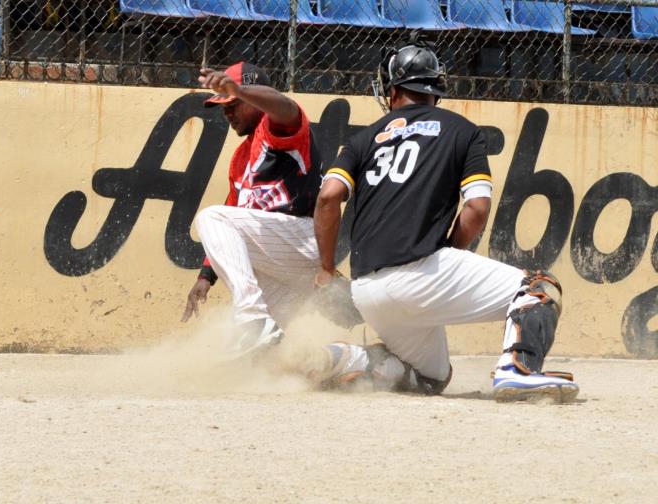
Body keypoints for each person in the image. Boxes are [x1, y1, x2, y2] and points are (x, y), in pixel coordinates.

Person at [311, 34, 579, 402]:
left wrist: (326, 268)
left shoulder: (363, 139)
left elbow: (328, 198)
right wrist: (450, 258)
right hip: (424, 273)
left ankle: (341, 359)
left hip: (367, 291)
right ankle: (517, 369)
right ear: (435, 88)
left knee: (429, 377)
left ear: (392, 92)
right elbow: (477, 209)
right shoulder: (462, 130)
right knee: (539, 288)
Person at [181, 62, 322, 358]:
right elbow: (236, 209)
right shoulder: (240, 157)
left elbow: (286, 107)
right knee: (252, 357)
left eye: (233, 104)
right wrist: (205, 276)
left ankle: (254, 318)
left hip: (302, 240)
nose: (227, 112)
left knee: (211, 216)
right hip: (279, 261)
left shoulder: (279, 128)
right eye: (223, 106)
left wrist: (241, 90)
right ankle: (350, 364)